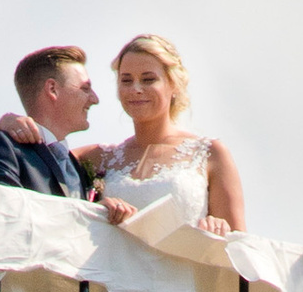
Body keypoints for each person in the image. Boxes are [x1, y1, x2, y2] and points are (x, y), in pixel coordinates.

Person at [86, 33, 245, 240]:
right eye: (126, 80)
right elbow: (45, 159)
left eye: (148, 79)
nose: (136, 89)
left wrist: (219, 228)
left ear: (174, 85)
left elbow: (241, 248)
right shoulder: (99, 157)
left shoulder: (210, 153)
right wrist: (97, 209)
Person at [0, 45, 98, 199]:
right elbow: (3, 214)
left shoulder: (78, 166)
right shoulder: (1, 148)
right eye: (85, 89)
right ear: (52, 89)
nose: (95, 99)